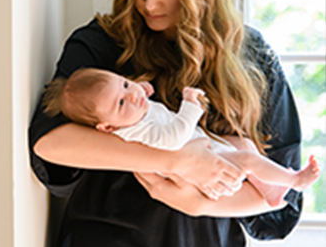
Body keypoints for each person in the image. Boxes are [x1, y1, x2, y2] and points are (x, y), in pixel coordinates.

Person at [29, 0, 306, 247]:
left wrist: (198, 202)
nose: (150, 1)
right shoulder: (102, 44)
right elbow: (50, 143)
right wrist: (177, 161)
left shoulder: (252, 57)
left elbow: (282, 204)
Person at [42, 67, 320, 208]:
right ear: (107, 128)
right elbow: (173, 138)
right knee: (247, 158)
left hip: (205, 148)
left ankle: (271, 192)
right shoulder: (136, 131)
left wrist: (139, 90)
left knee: (245, 148)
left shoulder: (131, 115)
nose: (132, 95)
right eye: (121, 103)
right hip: (200, 159)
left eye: (125, 83)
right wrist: (191, 105)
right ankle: (294, 180)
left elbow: (139, 98)